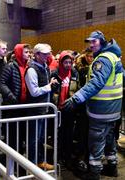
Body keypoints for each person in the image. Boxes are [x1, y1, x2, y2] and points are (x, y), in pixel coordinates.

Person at [62, 31, 123, 180]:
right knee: (109, 139)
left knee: (96, 141)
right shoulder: (114, 57)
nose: (91, 45)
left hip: (101, 110)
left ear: (101, 41)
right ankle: (112, 166)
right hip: (114, 109)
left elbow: (96, 83)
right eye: (89, 42)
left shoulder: (102, 60)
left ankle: (94, 173)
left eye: (94, 42)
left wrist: (76, 98)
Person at [25, 43, 58, 170]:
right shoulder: (32, 69)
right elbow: (34, 92)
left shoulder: (44, 67)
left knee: (40, 138)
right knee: (34, 139)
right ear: (36, 55)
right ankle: (32, 165)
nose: (47, 56)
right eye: (44, 54)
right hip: (35, 109)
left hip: (43, 108)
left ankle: (39, 161)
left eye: (48, 53)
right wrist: (49, 86)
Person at [0, 43, 31, 153]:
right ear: (19, 53)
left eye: (29, 52)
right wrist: (11, 96)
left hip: (24, 105)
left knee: (22, 133)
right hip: (12, 105)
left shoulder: (28, 66)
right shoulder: (10, 66)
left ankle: (20, 157)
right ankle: (11, 159)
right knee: (12, 134)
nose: (29, 54)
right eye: (26, 52)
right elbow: (1, 84)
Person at [50, 50, 79, 169]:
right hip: (58, 110)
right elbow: (51, 91)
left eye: (70, 62)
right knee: (58, 135)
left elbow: (78, 89)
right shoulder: (54, 74)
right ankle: (58, 158)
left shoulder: (74, 72)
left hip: (70, 109)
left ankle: (67, 158)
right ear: (61, 62)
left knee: (69, 135)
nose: (68, 65)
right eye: (65, 62)